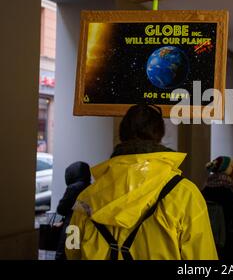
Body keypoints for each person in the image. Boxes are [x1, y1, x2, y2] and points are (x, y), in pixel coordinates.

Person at [66, 104, 217, 260]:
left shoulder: (85, 200)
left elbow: (71, 249)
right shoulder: (185, 194)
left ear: (122, 134)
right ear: (159, 136)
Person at [202, 156, 233, 260]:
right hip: (228, 242)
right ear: (230, 170)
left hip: (209, 240)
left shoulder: (205, 189)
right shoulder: (229, 190)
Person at [55, 161, 91, 260]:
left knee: (64, 252)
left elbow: (62, 209)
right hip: (87, 225)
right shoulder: (91, 186)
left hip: (72, 225)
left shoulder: (73, 188)